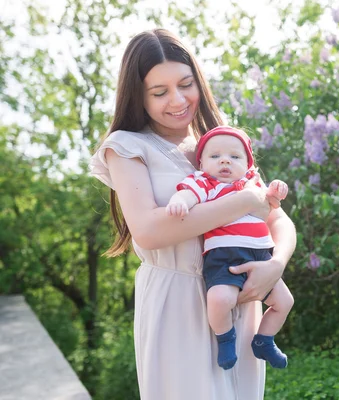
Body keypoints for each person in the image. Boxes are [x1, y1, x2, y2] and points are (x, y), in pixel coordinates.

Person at [89, 28, 296, 400]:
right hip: (175, 300)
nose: (178, 100)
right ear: (138, 95)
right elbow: (149, 231)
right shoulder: (127, 147)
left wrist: (276, 265)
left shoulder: (218, 143)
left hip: (240, 295)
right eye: (160, 91)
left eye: (186, 84)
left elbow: (275, 216)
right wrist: (244, 201)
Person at [166, 125, 293, 370]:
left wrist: (276, 189)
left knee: (284, 301)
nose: (225, 160)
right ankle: (226, 338)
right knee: (219, 298)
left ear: (248, 164)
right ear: (201, 162)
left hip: (262, 255)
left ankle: (264, 340)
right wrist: (178, 202)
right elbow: (188, 196)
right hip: (224, 256)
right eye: (215, 156)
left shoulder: (252, 183)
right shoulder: (204, 183)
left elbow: (272, 204)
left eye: (235, 157)